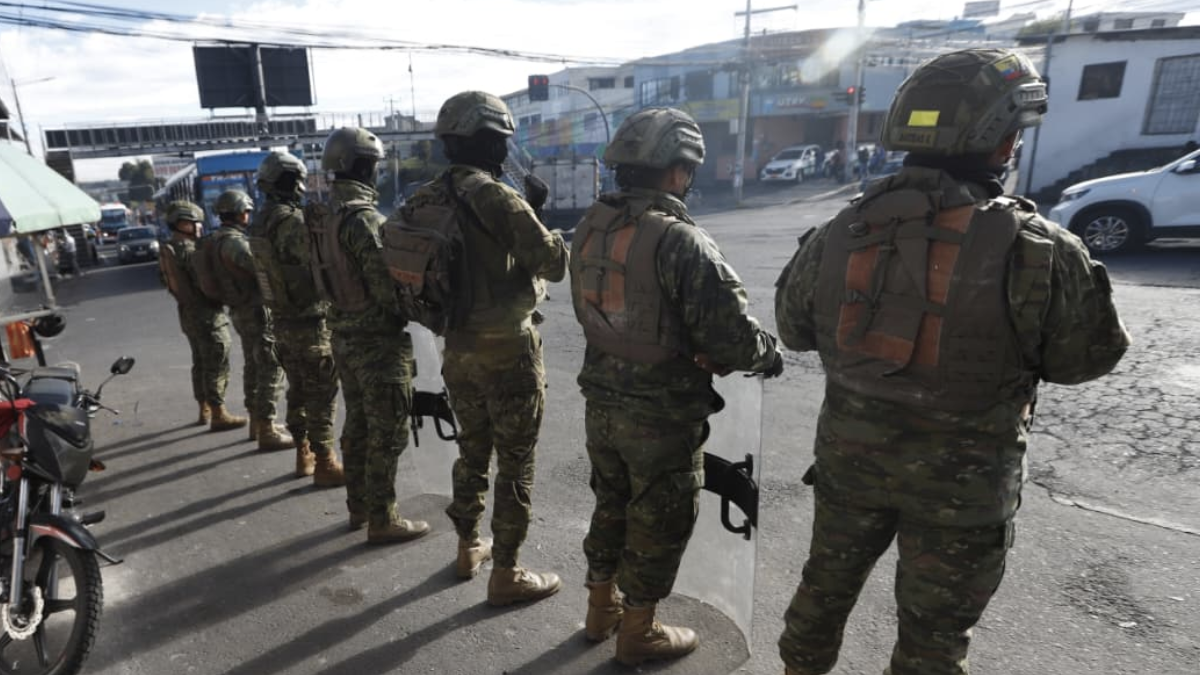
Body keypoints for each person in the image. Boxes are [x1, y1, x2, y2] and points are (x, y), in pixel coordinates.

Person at [773, 48, 1131, 675]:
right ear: (1002, 143)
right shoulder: (1039, 248)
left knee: (822, 593)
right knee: (934, 639)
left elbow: (794, 330)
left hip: (851, 467)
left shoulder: (838, 232)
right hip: (965, 490)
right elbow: (1083, 360)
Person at [570, 107, 783, 666]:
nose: (688, 180)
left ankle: (600, 608)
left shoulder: (591, 228)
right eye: (687, 170)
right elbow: (733, 338)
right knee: (660, 518)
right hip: (661, 416)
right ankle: (638, 629)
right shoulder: (681, 240)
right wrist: (769, 354)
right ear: (674, 171)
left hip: (601, 402)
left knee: (611, 502)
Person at [403, 91, 569, 603]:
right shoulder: (497, 197)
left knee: (472, 451)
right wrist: (541, 216)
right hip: (509, 352)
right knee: (515, 463)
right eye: (501, 140)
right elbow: (552, 264)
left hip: (456, 347)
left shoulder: (423, 197)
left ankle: (467, 546)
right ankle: (507, 572)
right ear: (488, 142)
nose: (504, 149)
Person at [312, 127, 428, 545]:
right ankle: (383, 518)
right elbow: (387, 291)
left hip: (343, 335)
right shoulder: (365, 220)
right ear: (362, 166)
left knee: (358, 424)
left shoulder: (325, 217)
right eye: (374, 165)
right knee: (389, 432)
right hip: (378, 343)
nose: (377, 172)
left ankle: (358, 506)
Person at [249, 152, 345, 487]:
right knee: (321, 394)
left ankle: (304, 454)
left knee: (299, 390)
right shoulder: (291, 222)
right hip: (309, 321)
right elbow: (318, 263)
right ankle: (325, 462)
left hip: (281, 320)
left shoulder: (260, 220)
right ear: (293, 181)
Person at [210, 190, 293, 452]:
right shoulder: (234, 243)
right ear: (238, 212)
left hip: (241, 310)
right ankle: (267, 428)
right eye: (245, 211)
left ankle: (257, 422)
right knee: (270, 366)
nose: (247, 215)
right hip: (255, 310)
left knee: (254, 365)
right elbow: (259, 267)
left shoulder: (218, 239)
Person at [158, 200, 247, 431]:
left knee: (200, 362)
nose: (199, 226)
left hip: (187, 313)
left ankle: (204, 408)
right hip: (207, 315)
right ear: (182, 224)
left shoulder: (169, 248)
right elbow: (207, 284)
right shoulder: (190, 251)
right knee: (217, 362)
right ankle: (219, 413)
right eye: (194, 222)